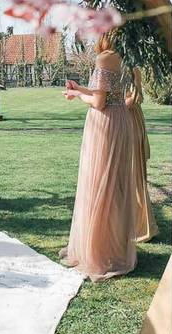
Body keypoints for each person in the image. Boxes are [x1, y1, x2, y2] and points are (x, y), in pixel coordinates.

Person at [59, 32, 137, 280]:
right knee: (116, 187)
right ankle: (116, 249)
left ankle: (99, 251)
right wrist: (81, 88)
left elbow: (99, 102)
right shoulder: (126, 57)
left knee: (99, 184)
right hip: (122, 121)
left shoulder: (104, 58)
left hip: (104, 125)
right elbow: (110, 93)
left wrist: (77, 95)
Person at [126, 66, 158, 243]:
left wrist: (112, 107)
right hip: (123, 120)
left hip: (130, 121)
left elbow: (135, 97)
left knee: (134, 174)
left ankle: (139, 227)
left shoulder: (132, 67)